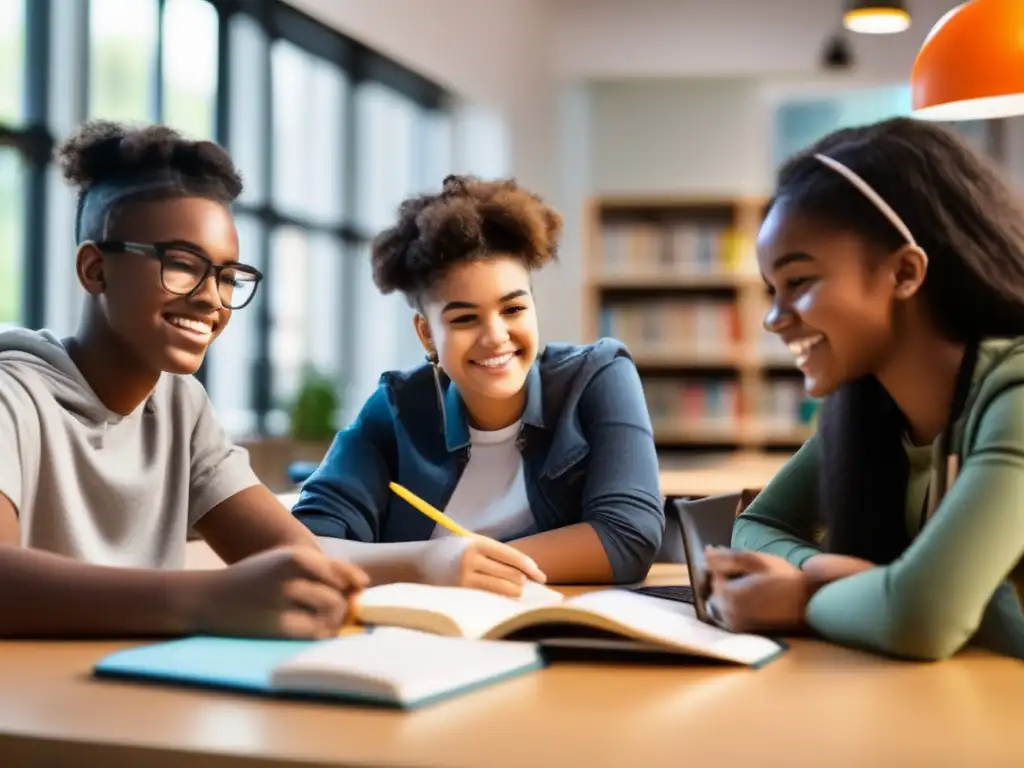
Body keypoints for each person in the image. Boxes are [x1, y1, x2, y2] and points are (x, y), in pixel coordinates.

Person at [0, 120, 367, 639]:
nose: (211, 298)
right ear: (95, 270)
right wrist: (209, 598)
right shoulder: (12, 396)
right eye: (180, 265)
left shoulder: (180, 405)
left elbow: (294, 555)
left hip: (144, 697)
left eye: (226, 276)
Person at [705, 116, 1024, 661]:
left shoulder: (1015, 393)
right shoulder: (870, 404)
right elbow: (758, 524)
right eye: (771, 291)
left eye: (799, 282)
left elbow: (922, 617)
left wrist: (807, 595)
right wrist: (866, 582)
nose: (774, 319)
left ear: (904, 272)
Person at [292, 175, 663, 596]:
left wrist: (471, 565)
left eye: (514, 308)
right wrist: (429, 564)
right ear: (427, 334)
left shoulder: (597, 376)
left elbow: (628, 536)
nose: (495, 336)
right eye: (465, 318)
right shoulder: (395, 408)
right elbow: (304, 548)